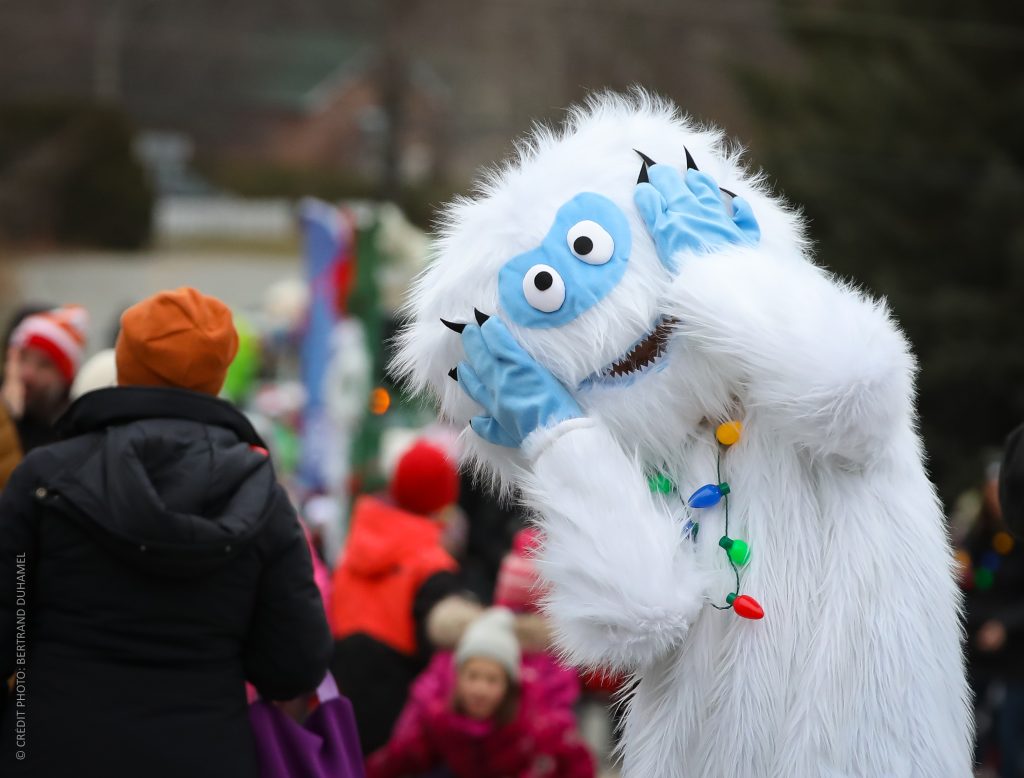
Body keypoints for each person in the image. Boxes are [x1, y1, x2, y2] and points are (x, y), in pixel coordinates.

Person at [0, 287, 332, 778]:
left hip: (51, 747)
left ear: (124, 361)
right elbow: (294, 666)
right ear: (218, 375)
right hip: (204, 755)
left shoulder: (44, 476)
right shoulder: (263, 496)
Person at [329, 439, 464, 754]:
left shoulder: (354, 548)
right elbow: (438, 667)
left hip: (338, 708)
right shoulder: (433, 567)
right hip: (400, 726)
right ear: (445, 499)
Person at [367, 607, 595, 778]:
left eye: (492, 680)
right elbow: (405, 755)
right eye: (473, 676)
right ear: (457, 679)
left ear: (508, 686)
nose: (480, 689)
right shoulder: (439, 718)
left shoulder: (538, 722)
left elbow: (577, 764)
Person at [962, 463, 1024, 777]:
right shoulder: (978, 536)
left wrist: (1004, 625)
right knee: (967, 730)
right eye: (991, 490)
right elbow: (971, 586)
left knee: (1009, 733)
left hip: (1016, 657)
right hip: (978, 649)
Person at [0, 305, 88, 489]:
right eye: (23, 358)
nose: (28, 374)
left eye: (44, 365)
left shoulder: (71, 438)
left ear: (65, 379)